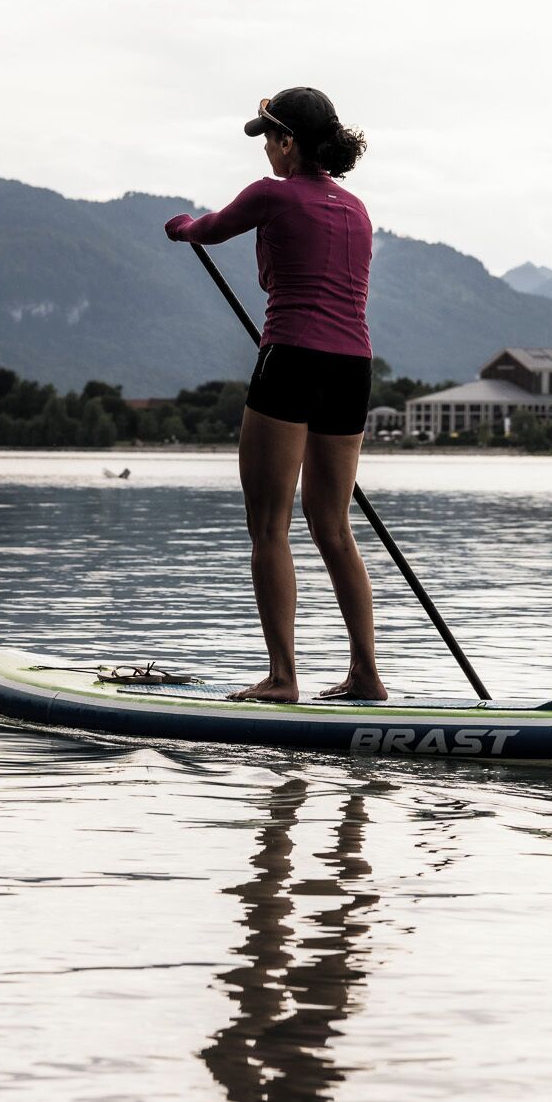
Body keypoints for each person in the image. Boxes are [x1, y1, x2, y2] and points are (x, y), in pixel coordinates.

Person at [164, 88, 385, 703]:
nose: (265, 148)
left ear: (290, 141)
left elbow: (209, 228)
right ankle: (366, 674)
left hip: (290, 359)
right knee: (333, 526)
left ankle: (283, 677)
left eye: (269, 136)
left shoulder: (272, 193)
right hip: (352, 368)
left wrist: (182, 228)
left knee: (268, 525)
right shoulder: (358, 210)